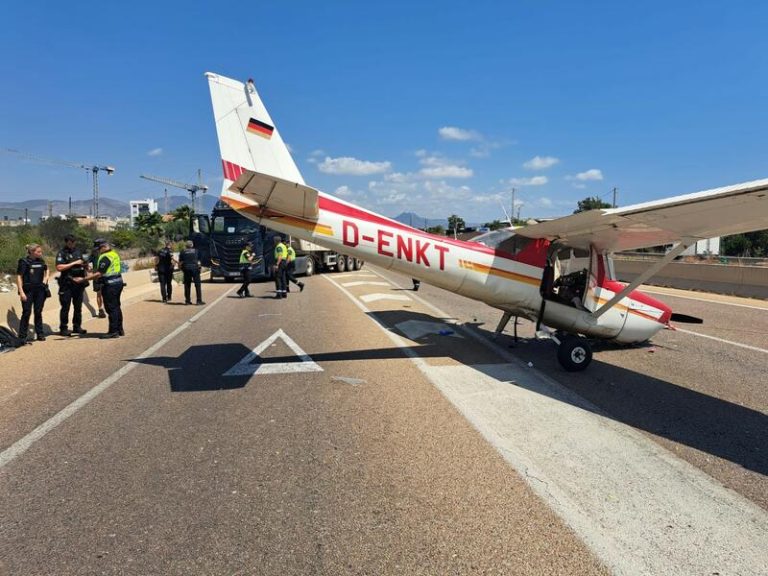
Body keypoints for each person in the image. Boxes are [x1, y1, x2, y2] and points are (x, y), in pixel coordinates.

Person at [75, 241, 124, 338]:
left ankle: (113, 331)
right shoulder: (114, 254)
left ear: (104, 247)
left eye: (99, 249)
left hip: (110, 285)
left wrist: (83, 279)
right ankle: (119, 329)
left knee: (111, 308)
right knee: (117, 307)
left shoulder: (106, 257)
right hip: (118, 282)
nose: (98, 251)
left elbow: (99, 274)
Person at [16, 243, 50, 343]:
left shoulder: (41, 261)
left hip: (40, 290)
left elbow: (47, 268)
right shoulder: (24, 262)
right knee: (26, 312)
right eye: (38, 252)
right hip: (27, 291)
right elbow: (19, 277)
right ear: (32, 252)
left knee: (38, 312)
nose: (41, 253)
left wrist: (46, 278)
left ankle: (40, 333)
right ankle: (22, 336)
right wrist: (21, 292)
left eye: (41, 251)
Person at [55, 234, 88, 336]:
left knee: (78, 307)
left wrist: (85, 266)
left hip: (78, 283)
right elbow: (59, 267)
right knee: (65, 307)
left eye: (74, 242)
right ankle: (63, 328)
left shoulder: (78, 251)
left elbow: (82, 263)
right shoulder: (62, 253)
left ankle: (77, 326)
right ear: (67, 242)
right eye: (70, 242)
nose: (73, 244)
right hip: (66, 283)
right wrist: (73, 263)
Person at [179, 240, 205, 305]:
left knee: (187, 285)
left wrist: (182, 269)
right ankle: (199, 301)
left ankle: (187, 301)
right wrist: (200, 267)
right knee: (197, 285)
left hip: (186, 269)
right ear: (192, 245)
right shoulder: (196, 251)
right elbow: (199, 261)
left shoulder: (183, 251)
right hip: (195, 269)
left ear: (186, 245)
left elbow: (180, 262)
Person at [90, 238, 107, 318]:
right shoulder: (104, 252)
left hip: (98, 275)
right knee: (102, 293)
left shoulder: (94, 252)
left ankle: (101, 309)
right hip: (102, 275)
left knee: (99, 293)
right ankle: (102, 309)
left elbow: (87, 262)